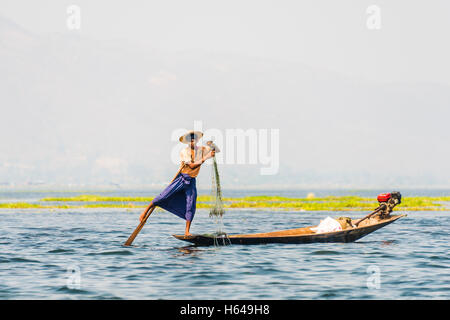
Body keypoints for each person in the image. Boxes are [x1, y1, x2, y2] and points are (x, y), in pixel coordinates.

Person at [139, 130, 215, 236]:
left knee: (191, 205)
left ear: (197, 140)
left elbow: (215, 151)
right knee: (163, 196)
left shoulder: (201, 150)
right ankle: (144, 213)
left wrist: (212, 146)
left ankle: (187, 232)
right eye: (190, 140)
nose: (192, 142)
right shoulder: (185, 152)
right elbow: (192, 166)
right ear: (188, 142)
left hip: (192, 181)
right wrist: (206, 157)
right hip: (182, 179)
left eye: (194, 139)